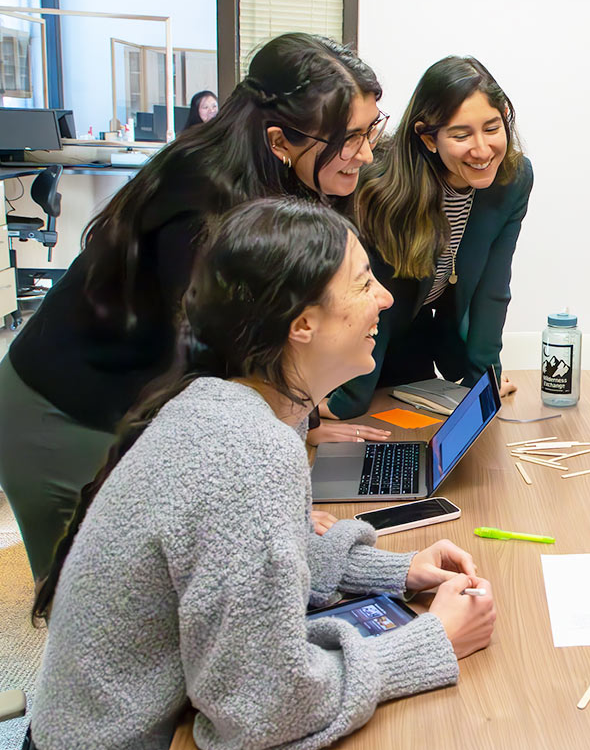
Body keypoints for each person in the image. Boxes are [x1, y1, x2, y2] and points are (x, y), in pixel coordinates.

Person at [20, 198, 496, 750]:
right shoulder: (248, 449)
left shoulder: (245, 406)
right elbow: (262, 709)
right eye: (365, 283)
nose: (386, 299)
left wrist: (400, 572)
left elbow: (272, 557)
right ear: (302, 324)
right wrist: (431, 640)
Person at [0, 33, 388, 582]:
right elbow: (213, 379)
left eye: (371, 131)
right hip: (66, 414)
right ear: (280, 141)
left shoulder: (269, 180)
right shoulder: (206, 210)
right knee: (108, 614)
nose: (366, 155)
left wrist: (306, 419)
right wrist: (277, 508)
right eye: (350, 140)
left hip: (138, 398)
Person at [323, 55, 534, 420]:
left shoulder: (512, 180)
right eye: (461, 134)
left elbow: (492, 289)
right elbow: (367, 299)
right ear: (428, 138)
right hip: (361, 338)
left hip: (419, 332)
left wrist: (484, 380)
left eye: (492, 127)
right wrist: (348, 398)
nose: (482, 150)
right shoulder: (382, 187)